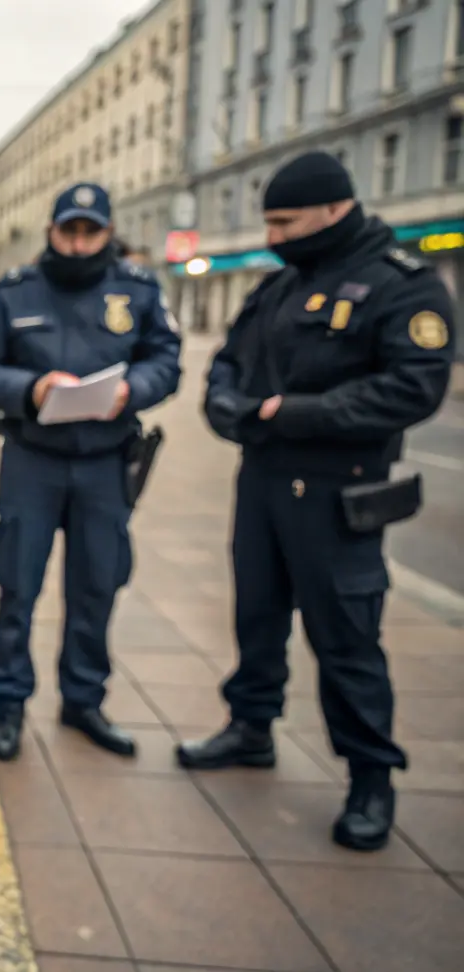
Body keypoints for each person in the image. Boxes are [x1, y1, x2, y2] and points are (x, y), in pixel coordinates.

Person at [177, 151, 456, 851]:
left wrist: (289, 414)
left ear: (335, 209)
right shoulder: (277, 288)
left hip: (339, 492)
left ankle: (371, 777)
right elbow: (228, 366)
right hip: (264, 482)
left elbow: (413, 387)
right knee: (257, 616)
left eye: (285, 220)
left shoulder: (403, 287)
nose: (273, 235)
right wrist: (229, 407)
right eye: (268, 221)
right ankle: (251, 727)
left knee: (346, 638)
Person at [0, 182, 182, 761]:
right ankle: (8, 704)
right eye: (70, 231)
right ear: (52, 232)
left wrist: (133, 389)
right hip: (31, 461)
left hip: (106, 464)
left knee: (96, 587)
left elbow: (167, 360)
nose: (80, 243)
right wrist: (30, 389)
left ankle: (83, 699)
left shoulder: (138, 290)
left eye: (92, 231)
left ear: (108, 233)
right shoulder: (14, 292)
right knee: (17, 586)